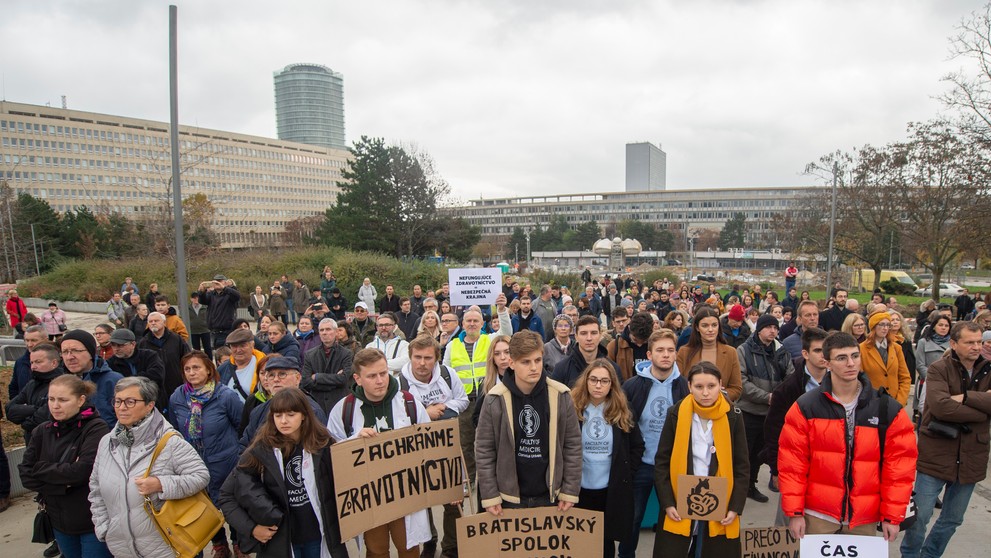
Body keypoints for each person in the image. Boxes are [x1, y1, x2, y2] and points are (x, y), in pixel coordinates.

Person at [778, 332, 917, 541]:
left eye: (855, 356)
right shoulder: (805, 407)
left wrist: (892, 515)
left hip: (865, 517)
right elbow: (792, 465)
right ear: (827, 363)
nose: (851, 363)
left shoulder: (886, 408)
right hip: (818, 515)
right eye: (842, 358)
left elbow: (899, 467)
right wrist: (795, 512)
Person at [89, 376, 211, 558]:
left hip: (166, 545)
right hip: (123, 548)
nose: (122, 407)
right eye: (118, 401)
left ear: (149, 405)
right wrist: (105, 528)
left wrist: (160, 484)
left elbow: (200, 476)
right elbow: (96, 489)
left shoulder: (169, 441)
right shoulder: (107, 442)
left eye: (130, 402)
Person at [219, 388, 348, 558]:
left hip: (319, 538)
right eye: (278, 415)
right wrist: (251, 529)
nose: (284, 421)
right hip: (281, 543)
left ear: (304, 415)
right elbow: (226, 496)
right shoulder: (260, 451)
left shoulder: (323, 443)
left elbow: (349, 473)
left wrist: (360, 440)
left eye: (291, 414)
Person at [326, 348, 431, 557]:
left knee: (409, 547)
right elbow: (332, 454)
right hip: (369, 496)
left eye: (383, 373)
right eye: (372, 376)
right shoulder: (343, 410)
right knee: (376, 550)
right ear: (357, 378)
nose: (380, 380)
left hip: (405, 492)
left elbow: (430, 444)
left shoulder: (409, 403)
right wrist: (354, 440)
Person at [901, 321, 991, 558]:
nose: (976, 347)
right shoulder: (939, 368)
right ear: (954, 343)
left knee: (952, 519)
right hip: (937, 453)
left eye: (979, 342)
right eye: (969, 342)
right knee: (920, 516)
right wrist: (982, 406)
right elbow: (941, 407)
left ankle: (930, 555)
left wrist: (964, 397)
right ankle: (910, 555)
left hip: (973, 455)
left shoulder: (989, 369)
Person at [475, 331, 582, 516]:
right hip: (508, 498)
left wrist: (569, 490)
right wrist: (490, 495)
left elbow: (572, 446)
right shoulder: (494, 399)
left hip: (550, 496)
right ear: (512, 363)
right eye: (526, 362)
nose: (534, 367)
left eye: (538, 360)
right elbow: (484, 450)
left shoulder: (561, 395)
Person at [653, 360, 749, 557]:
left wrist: (735, 507)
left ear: (721, 384)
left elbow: (741, 466)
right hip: (681, 500)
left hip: (720, 503)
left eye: (711, 386)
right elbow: (662, 461)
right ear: (689, 387)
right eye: (699, 387)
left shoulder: (733, 416)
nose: (705, 393)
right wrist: (668, 503)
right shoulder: (676, 414)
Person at [18, 375, 112, 558]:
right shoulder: (41, 431)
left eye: (63, 400)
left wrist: (41, 469)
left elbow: (82, 471)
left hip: (91, 521)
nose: (55, 405)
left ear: (81, 400)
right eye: (51, 399)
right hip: (58, 521)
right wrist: (63, 483)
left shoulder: (96, 428)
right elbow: (25, 474)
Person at [618, 329, 689, 558]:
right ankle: (626, 554)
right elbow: (624, 426)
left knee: (675, 517)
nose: (665, 355)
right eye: (660, 350)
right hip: (642, 464)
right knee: (634, 517)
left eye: (670, 350)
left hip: (673, 465)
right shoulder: (632, 386)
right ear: (649, 354)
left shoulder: (685, 387)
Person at [168, 351, 243, 558]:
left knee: (232, 506)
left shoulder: (225, 396)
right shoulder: (177, 397)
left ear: (209, 370)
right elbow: (175, 430)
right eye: (187, 369)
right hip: (193, 465)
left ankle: (238, 543)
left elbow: (241, 427)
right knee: (204, 509)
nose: (192, 373)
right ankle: (219, 544)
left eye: (196, 368)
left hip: (226, 463)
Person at [400, 335, 468, 558]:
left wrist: (444, 407)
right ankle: (429, 542)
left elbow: (463, 400)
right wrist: (423, 413)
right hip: (415, 450)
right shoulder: (400, 382)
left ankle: (451, 548)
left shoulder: (448, 375)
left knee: (452, 498)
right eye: (417, 357)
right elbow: (397, 414)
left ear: (436, 359)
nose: (422, 363)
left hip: (446, 447)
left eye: (427, 358)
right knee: (423, 500)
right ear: (410, 357)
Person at [572, 359, 645, 558]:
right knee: (579, 544)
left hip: (610, 490)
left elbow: (637, 445)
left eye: (604, 381)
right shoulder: (572, 407)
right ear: (585, 381)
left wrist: (625, 473)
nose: (598, 385)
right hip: (579, 490)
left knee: (605, 544)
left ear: (612, 384)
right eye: (594, 379)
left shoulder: (623, 409)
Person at [441, 298, 511, 486]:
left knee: (491, 441)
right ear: (462, 324)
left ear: (482, 324)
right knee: (465, 444)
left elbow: (507, 333)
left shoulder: (489, 339)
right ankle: (470, 479)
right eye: (468, 321)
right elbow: (444, 373)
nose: (472, 324)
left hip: (489, 399)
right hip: (463, 402)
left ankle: (493, 479)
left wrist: (502, 310)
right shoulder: (452, 345)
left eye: (476, 321)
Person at [761, 327, 829, 503]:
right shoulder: (786, 390)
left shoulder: (841, 384)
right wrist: (776, 470)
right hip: (797, 463)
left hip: (830, 463)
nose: (824, 355)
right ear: (805, 353)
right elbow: (774, 431)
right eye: (818, 350)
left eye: (826, 350)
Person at [735, 313, 794, 504]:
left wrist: (777, 398)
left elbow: (790, 378)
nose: (773, 331)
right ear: (759, 329)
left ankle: (751, 485)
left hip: (771, 413)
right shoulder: (744, 350)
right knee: (743, 453)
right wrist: (767, 397)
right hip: (749, 411)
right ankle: (738, 488)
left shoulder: (782, 351)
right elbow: (741, 381)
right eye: (769, 327)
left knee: (761, 453)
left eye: (776, 328)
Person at [239, 356, 327, 451]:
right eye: (271, 375)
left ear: (297, 378)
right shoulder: (258, 411)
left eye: (282, 374)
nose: (276, 379)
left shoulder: (312, 410)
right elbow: (245, 447)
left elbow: (321, 449)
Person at [59, 330, 123, 429]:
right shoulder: (59, 383)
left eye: (76, 350)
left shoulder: (113, 381)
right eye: (65, 352)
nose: (69, 357)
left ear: (91, 353)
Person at [677, 307, 743, 401]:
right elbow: (678, 385)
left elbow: (736, 388)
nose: (711, 329)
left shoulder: (730, 352)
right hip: (691, 408)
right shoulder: (684, 352)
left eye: (714, 325)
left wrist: (718, 395)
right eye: (705, 326)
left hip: (720, 409)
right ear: (697, 328)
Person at [6, 343, 64, 445]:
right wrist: (35, 409)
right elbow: (10, 410)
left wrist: (25, 418)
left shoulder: (64, 384)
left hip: (54, 444)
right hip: (31, 444)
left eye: (38, 362)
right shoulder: (32, 384)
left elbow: (45, 418)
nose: (33, 367)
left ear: (54, 363)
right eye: (31, 362)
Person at [138, 311, 192, 413]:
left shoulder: (176, 339)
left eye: (156, 321)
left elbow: (187, 358)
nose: (153, 323)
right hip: (155, 387)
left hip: (176, 383)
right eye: (150, 321)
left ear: (164, 322)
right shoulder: (143, 343)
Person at [105, 328, 168, 410]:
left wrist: (127, 380)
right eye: (113, 345)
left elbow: (157, 377)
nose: (116, 349)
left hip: (154, 403)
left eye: (121, 345)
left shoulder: (149, 356)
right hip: (127, 407)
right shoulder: (110, 363)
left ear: (133, 344)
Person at [301, 318, 354, 414]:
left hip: (339, 403)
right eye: (322, 330)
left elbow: (344, 379)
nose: (324, 333)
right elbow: (305, 382)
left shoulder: (346, 354)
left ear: (336, 332)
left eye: (328, 329)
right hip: (318, 404)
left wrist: (317, 376)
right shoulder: (310, 354)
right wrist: (333, 382)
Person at [553, 315, 621, 388]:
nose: (589, 338)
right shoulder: (561, 369)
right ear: (576, 337)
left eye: (593, 333)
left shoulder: (613, 369)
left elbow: (618, 397)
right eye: (584, 333)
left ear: (600, 335)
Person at [860, 311, 911, 406]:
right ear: (873, 326)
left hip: (895, 403)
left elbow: (905, 377)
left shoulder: (896, 348)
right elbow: (859, 380)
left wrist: (900, 402)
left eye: (888, 325)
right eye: (882, 324)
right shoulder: (861, 349)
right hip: (871, 404)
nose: (885, 328)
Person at [914, 314, 953, 422]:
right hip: (927, 382)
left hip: (947, 384)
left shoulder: (953, 344)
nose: (943, 328)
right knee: (925, 415)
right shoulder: (923, 342)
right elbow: (920, 365)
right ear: (934, 326)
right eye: (940, 325)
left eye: (946, 325)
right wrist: (933, 378)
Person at [218, 328, 266, 403]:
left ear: (252, 345)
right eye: (234, 346)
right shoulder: (223, 369)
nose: (238, 350)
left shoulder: (264, 366)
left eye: (242, 346)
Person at [607, 311, 655, 382]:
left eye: (644, 341)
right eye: (635, 340)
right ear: (629, 327)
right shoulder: (614, 347)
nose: (639, 344)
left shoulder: (657, 346)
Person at [198, 275, 241, 348]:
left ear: (225, 282)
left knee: (226, 355)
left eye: (219, 281)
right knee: (217, 355)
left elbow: (237, 296)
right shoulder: (211, 294)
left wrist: (224, 288)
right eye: (215, 281)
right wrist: (201, 292)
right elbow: (202, 301)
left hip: (226, 331)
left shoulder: (229, 293)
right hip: (213, 331)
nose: (217, 283)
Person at [9, 325, 47, 400]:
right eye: (27, 340)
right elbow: (14, 387)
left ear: (45, 340)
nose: (29, 344)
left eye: (34, 340)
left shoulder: (57, 362)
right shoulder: (20, 362)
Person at [188, 292, 213, 360]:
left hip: (205, 330)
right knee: (196, 349)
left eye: (197, 298)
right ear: (191, 299)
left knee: (207, 347)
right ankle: (198, 361)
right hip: (193, 331)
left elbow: (210, 316)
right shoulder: (188, 308)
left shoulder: (205, 307)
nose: (196, 300)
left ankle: (209, 361)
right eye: (194, 298)